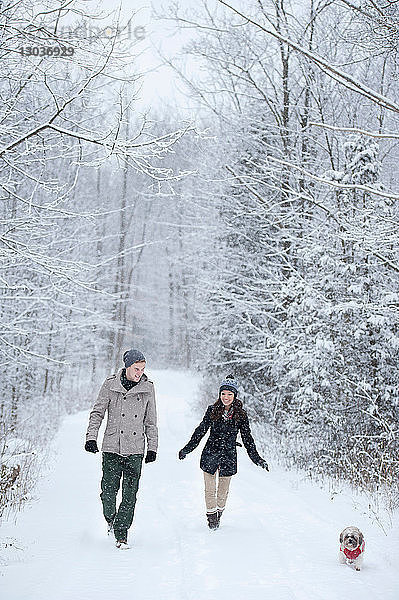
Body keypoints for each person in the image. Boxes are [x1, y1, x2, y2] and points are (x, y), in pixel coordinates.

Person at [85, 348, 158, 549]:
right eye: (136, 368)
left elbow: (151, 421)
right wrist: (92, 437)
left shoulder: (148, 388)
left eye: (142, 369)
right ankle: (111, 519)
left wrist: (152, 447)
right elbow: (97, 412)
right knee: (108, 493)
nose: (139, 373)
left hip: (135, 449)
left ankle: (121, 534)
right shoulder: (110, 385)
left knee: (129, 494)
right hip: (112, 447)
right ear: (127, 366)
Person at [178, 375, 268, 529]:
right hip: (210, 454)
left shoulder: (241, 415)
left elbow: (248, 439)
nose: (226, 397)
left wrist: (258, 459)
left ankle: (218, 515)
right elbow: (200, 431)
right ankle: (212, 521)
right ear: (219, 394)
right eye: (223, 394)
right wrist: (186, 449)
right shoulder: (212, 410)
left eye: (229, 394)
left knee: (222, 493)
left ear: (235, 395)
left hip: (228, 456)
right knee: (209, 490)